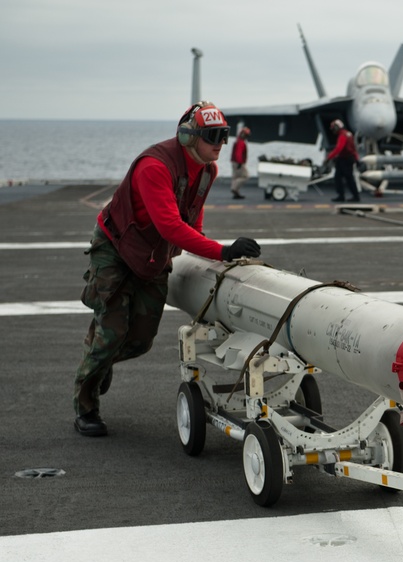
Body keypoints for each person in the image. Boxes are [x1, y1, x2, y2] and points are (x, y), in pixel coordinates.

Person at [73, 101, 262, 437]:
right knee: (112, 333)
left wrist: (205, 248)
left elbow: (193, 217)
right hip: (115, 248)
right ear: (189, 136)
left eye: (224, 136)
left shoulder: (207, 170)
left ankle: (101, 363)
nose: (220, 143)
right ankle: (86, 406)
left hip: (151, 255)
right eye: (212, 136)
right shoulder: (154, 166)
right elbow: (171, 228)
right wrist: (223, 250)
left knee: (142, 339)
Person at [325, 119, 361, 202]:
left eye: (334, 128)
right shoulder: (349, 134)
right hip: (347, 158)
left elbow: (338, 148)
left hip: (345, 159)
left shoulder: (342, 136)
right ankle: (346, 195)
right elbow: (353, 148)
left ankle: (352, 196)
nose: (333, 130)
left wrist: (328, 158)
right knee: (341, 177)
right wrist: (356, 159)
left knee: (346, 178)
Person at [230, 126, 251, 199]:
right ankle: (234, 188)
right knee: (245, 176)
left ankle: (236, 193)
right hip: (238, 162)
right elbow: (238, 153)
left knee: (235, 177)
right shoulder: (241, 142)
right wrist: (239, 162)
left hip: (234, 161)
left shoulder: (237, 140)